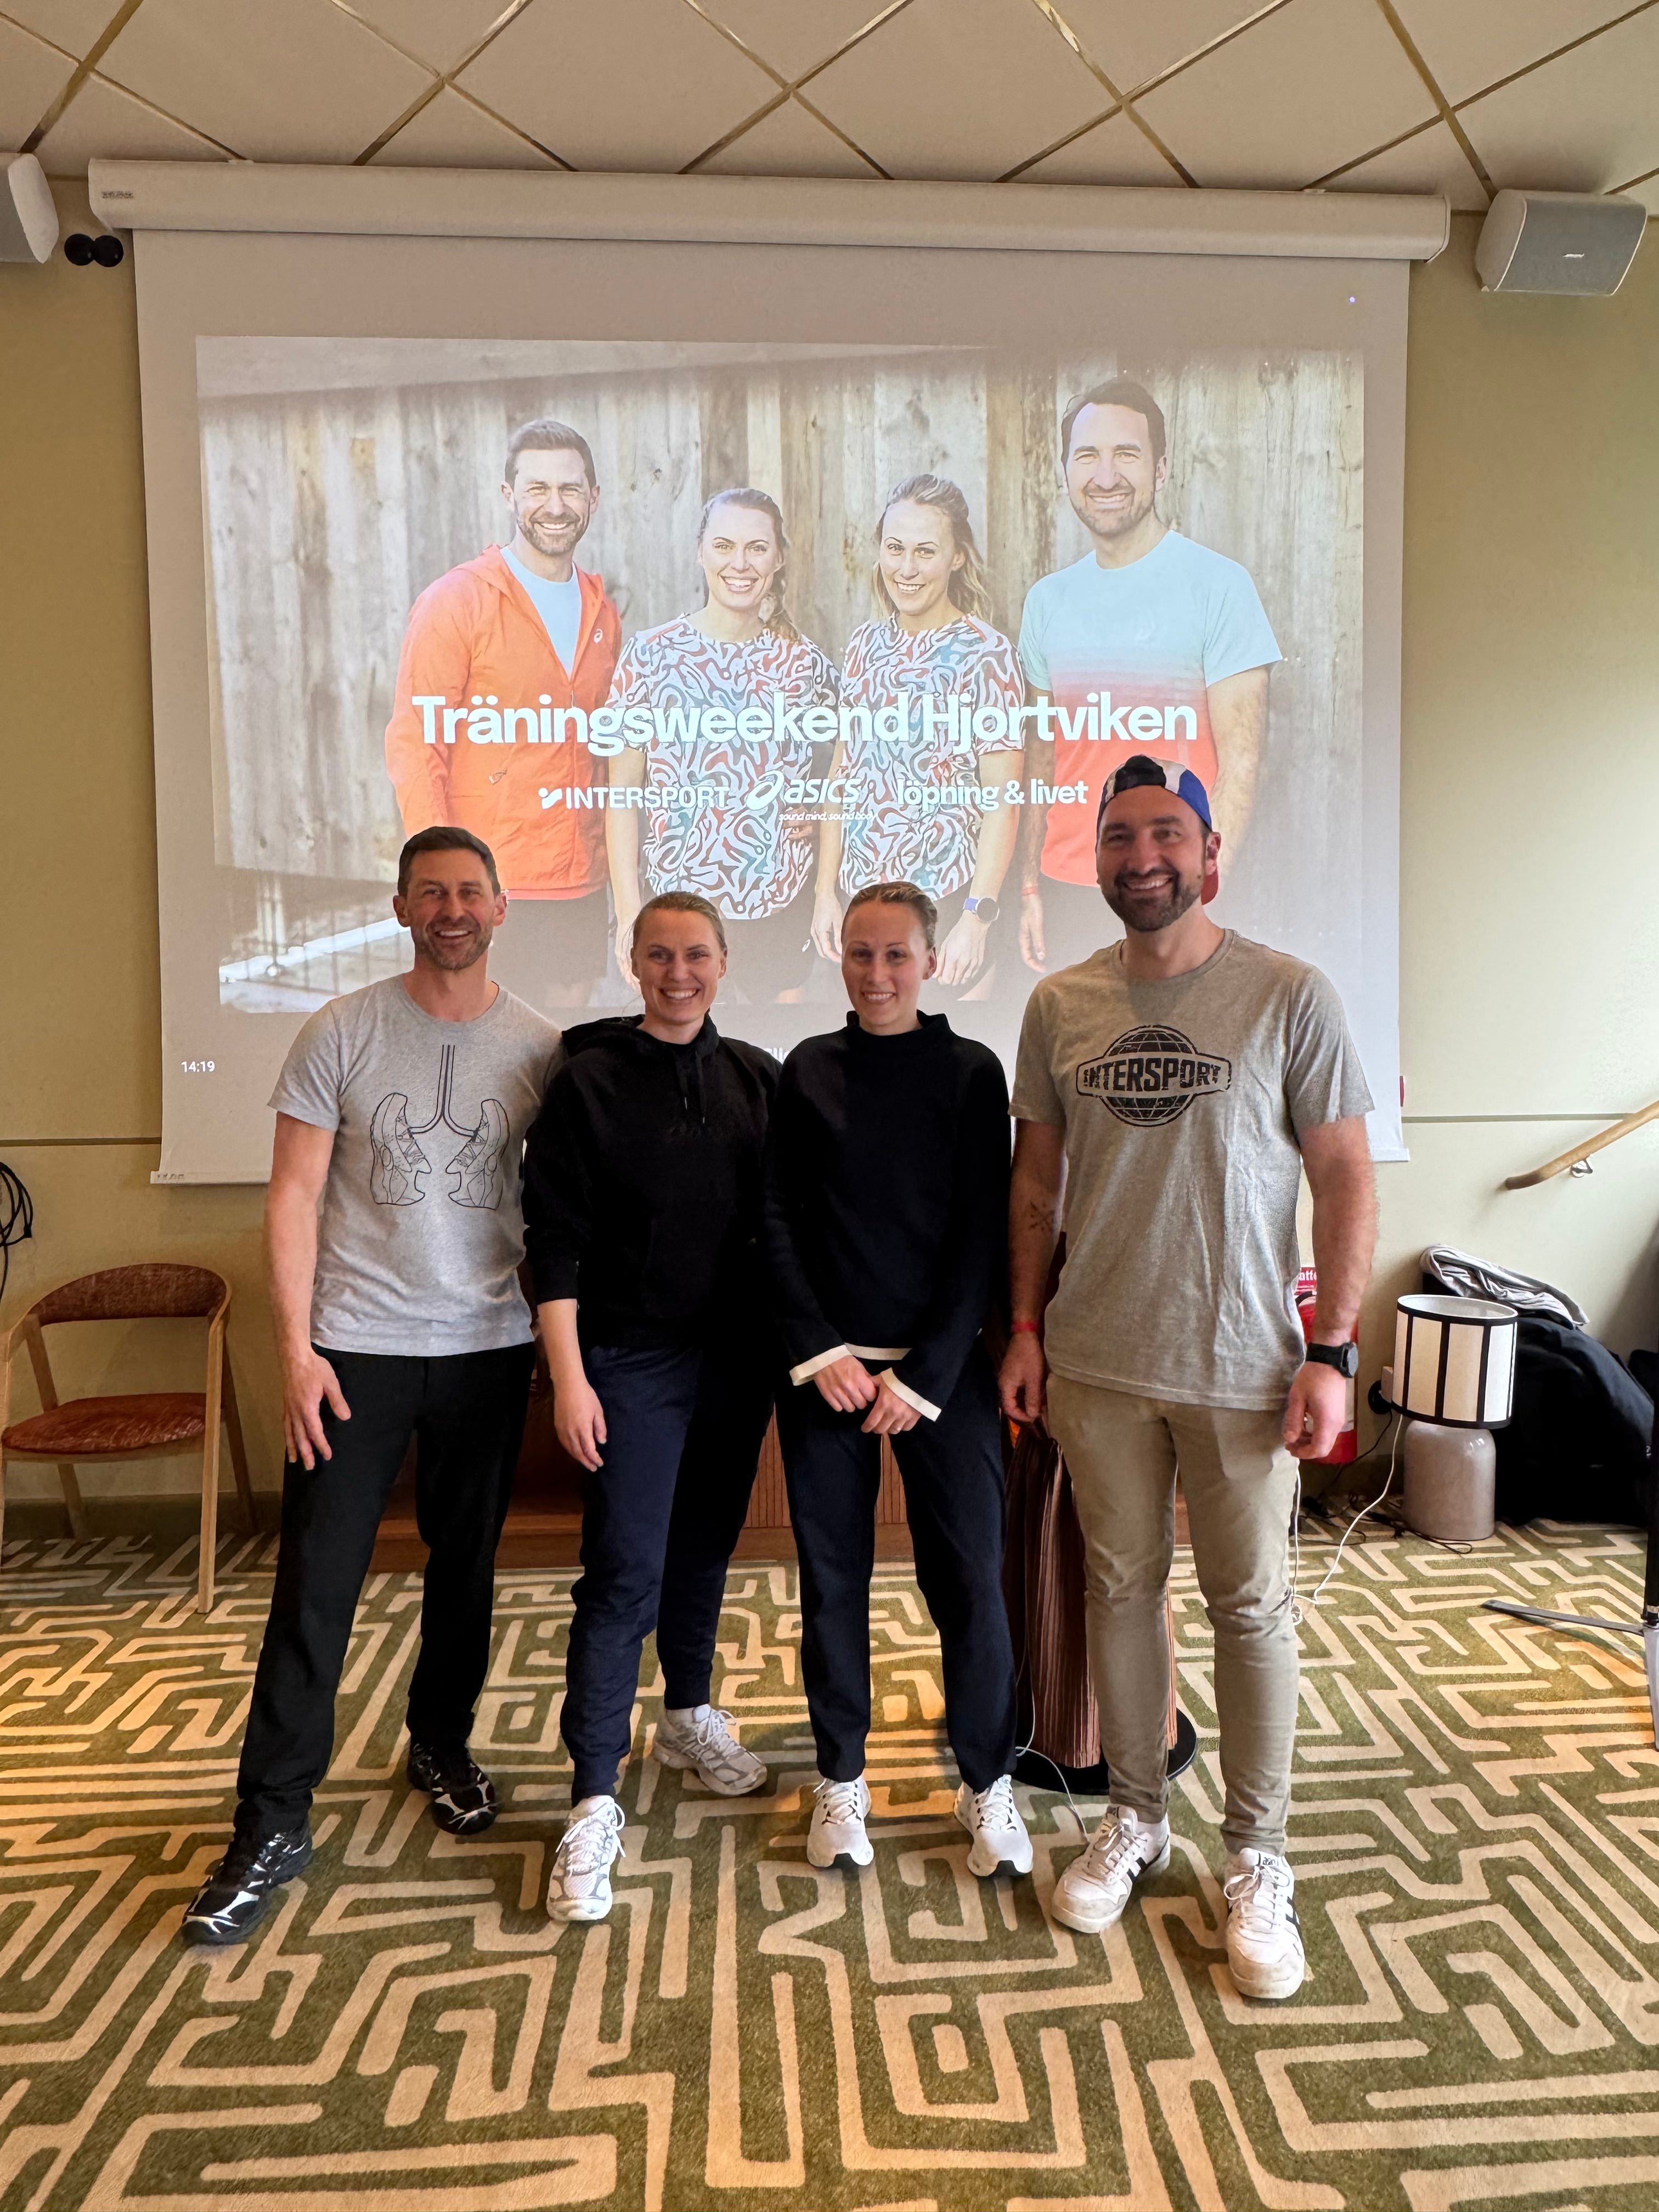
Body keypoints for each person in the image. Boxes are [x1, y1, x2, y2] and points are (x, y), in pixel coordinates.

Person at [1000, 754, 1375, 2002]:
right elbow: (1037, 1185)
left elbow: (1345, 1180)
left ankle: (1258, 1858)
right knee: (1120, 1589)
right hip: (1097, 1363)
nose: (1142, 856)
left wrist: (1334, 1350)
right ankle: (1136, 1814)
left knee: (1250, 1609)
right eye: (1119, 837)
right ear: (1094, 860)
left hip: (1243, 1367)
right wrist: (1024, 1329)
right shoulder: (1060, 1004)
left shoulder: (1287, 995)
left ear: (1212, 857)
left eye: (1168, 834)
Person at [183, 828, 561, 1946]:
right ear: (401, 907)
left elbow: (567, 1207)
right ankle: (272, 1820)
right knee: (316, 1589)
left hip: (489, 1346)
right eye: (432, 892)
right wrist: (296, 1352)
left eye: (470, 892)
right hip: (354, 1351)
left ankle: (441, 1745)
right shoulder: (338, 1031)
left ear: (502, 909)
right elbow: (293, 1197)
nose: (452, 908)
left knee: (467, 1571)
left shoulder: (541, 1047)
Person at [522, 892, 778, 1922]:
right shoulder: (585, 1084)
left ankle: (685, 1713)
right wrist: (569, 1375)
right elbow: (553, 1240)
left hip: (733, 1364)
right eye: (659, 955)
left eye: (697, 955)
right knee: (622, 1569)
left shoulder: (756, 1080)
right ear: (633, 963)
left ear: (722, 963)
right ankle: (590, 1797)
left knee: (702, 1550)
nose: (679, 972)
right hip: (625, 1362)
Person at [765, 881, 1026, 1875]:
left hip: (941, 1380)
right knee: (831, 1584)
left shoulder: (967, 1072)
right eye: (860, 954)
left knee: (967, 1583)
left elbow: (978, 1235)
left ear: (928, 961)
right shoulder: (807, 1067)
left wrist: (923, 1373)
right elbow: (779, 1216)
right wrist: (820, 1347)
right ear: (841, 956)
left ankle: (986, 1780)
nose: (876, 974)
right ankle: (840, 1781)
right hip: (825, 1374)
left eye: (895, 956)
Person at [1015, 377, 1281, 978]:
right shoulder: (1047, 601)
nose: (1104, 475)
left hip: (1171, 888)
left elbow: (1242, 764)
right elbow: (1043, 749)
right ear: (1064, 472)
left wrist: (1204, 892)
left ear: (1161, 470)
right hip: (1068, 885)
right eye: (1087, 455)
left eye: (1126, 455)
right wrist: (1029, 888)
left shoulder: (1218, 586)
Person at [384, 417, 620, 1009]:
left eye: (570, 489)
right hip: (489, 887)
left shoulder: (602, 610)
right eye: (537, 488)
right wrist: (438, 883)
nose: (556, 505)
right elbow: (416, 746)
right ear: (509, 495)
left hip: (580, 884)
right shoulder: (456, 601)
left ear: (593, 498)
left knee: (561, 1052)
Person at [605, 489, 839, 1005]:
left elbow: (854, 764)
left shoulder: (807, 664)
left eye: (757, 548)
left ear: (779, 558)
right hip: (678, 909)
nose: (741, 563)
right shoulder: (650, 656)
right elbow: (622, 792)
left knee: (774, 1064)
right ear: (701, 551)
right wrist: (629, 914)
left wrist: (823, 815)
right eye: (725, 545)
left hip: (780, 906)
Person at [810, 476, 1023, 997]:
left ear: (956, 557)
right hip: (862, 904)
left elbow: (1003, 802)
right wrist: (824, 892)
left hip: (947, 907)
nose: (906, 569)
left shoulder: (988, 656)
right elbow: (842, 776)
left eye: (925, 552)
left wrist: (976, 919)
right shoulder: (864, 645)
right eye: (895, 548)